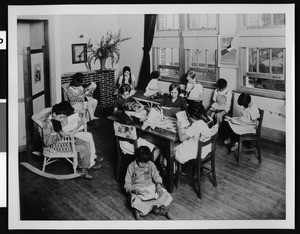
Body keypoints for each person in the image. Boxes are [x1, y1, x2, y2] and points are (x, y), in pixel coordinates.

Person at [43, 101, 102, 180]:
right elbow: (47, 142)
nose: (63, 119)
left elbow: (63, 130)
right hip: (59, 147)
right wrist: (60, 135)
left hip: (67, 141)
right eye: (61, 117)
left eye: (64, 117)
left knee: (87, 143)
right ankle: (83, 168)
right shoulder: (48, 124)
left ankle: (83, 167)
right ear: (54, 114)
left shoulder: (56, 121)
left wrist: (64, 125)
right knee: (84, 147)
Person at [124, 146, 173, 220]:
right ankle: (160, 209)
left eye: (145, 162)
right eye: (141, 162)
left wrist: (158, 186)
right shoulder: (131, 166)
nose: (143, 165)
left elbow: (156, 176)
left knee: (168, 196)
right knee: (134, 200)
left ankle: (146, 209)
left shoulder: (150, 164)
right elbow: (127, 184)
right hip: (138, 190)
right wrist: (133, 190)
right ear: (136, 158)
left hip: (150, 187)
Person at [117, 98, 162, 163]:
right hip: (129, 145)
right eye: (136, 110)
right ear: (132, 110)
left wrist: (140, 119)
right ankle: (149, 167)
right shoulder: (129, 123)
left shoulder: (123, 114)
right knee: (156, 147)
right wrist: (143, 127)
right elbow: (133, 139)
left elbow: (131, 117)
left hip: (122, 142)